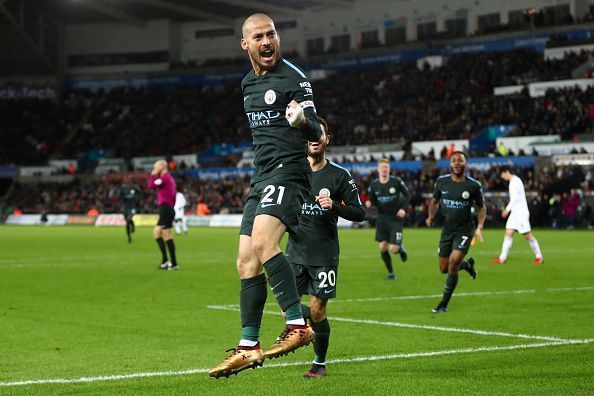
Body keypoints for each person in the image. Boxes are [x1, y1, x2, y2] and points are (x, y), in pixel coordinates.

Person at [208, 13, 323, 379]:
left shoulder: (294, 78)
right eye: (258, 36)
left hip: (289, 171)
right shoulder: (246, 84)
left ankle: (297, 323)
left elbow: (318, 129)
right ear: (246, 44)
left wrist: (302, 122)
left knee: (262, 243)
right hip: (261, 178)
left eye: (271, 34)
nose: (266, 41)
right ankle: (248, 346)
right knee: (245, 262)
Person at [284, 116, 364, 379]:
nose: (314, 139)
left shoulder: (340, 175)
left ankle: (319, 362)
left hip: (324, 254)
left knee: (318, 310)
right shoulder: (293, 171)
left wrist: (336, 207)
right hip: (295, 250)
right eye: (310, 134)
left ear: (326, 140)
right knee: (287, 305)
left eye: (319, 135)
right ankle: (301, 326)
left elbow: (359, 212)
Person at [426, 151, 485, 313]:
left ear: (466, 164)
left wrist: (480, 226)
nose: (457, 163)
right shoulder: (442, 182)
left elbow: (481, 207)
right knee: (444, 268)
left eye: (460, 160)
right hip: (447, 230)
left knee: (453, 263)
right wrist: (430, 216)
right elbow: (434, 201)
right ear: (450, 164)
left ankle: (443, 304)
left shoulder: (473, 185)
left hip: (465, 230)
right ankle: (466, 266)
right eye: (454, 160)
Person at [365, 159, 411, 280]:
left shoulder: (396, 182)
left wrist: (403, 209)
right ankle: (391, 273)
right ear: (378, 169)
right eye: (382, 167)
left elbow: (408, 195)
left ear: (389, 169)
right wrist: (369, 202)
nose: (384, 169)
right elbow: (371, 199)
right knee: (383, 247)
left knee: (393, 250)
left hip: (396, 218)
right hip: (382, 218)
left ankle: (400, 248)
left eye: (386, 167)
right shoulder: (374, 185)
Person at [491, 166, 543, 265]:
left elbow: (514, 198)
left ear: (506, 172)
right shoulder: (514, 181)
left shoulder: (515, 182)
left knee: (527, 235)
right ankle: (502, 258)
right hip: (515, 213)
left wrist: (507, 210)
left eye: (502, 174)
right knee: (508, 233)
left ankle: (539, 257)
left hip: (521, 214)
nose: (502, 177)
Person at [147, 160, 178, 270]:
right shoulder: (167, 178)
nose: (154, 168)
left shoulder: (165, 177)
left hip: (166, 208)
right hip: (166, 208)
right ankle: (165, 260)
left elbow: (150, 186)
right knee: (156, 233)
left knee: (167, 234)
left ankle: (174, 263)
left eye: (155, 166)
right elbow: (174, 195)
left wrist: (152, 175)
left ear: (161, 166)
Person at [119, 178, 142, 243]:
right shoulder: (122, 189)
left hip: (133, 207)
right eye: (126, 181)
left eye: (129, 180)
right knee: (127, 222)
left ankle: (132, 225)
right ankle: (129, 237)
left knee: (129, 219)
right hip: (126, 207)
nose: (128, 181)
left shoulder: (134, 187)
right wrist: (122, 199)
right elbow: (119, 197)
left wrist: (137, 199)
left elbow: (140, 193)